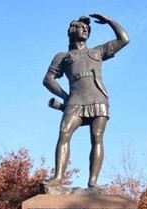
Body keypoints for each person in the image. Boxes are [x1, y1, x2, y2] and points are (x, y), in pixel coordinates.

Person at [42, 13, 129, 188]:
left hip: (98, 98)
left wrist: (110, 21)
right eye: (81, 27)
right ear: (72, 31)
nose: (85, 30)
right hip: (75, 99)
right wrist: (66, 98)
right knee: (64, 133)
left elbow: (124, 39)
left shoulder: (97, 51)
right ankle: (58, 177)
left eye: (87, 28)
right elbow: (48, 79)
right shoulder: (63, 56)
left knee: (97, 137)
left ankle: (93, 182)